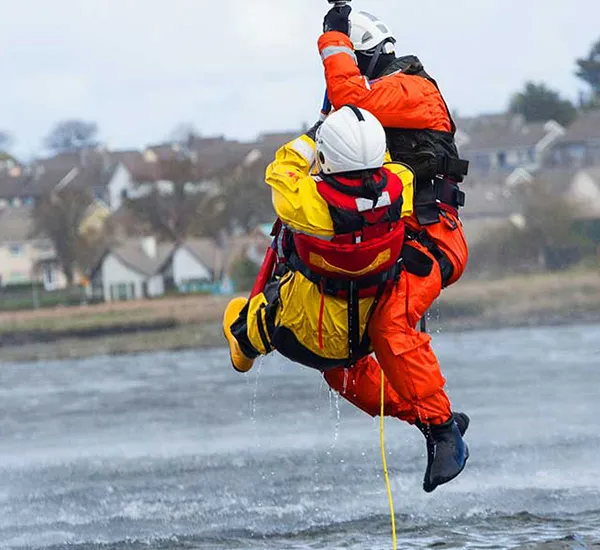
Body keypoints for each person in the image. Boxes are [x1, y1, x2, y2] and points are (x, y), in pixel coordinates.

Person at [223, 105, 469, 493]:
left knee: (245, 324)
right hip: (363, 332)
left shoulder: (309, 204)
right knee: (355, 374)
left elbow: (281, 169)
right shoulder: (399, 185)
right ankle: (436, 421)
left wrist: (312, 135)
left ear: (328, 158)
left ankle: (243, 347)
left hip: (306, 334)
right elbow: (389, 164)